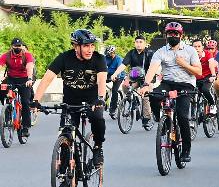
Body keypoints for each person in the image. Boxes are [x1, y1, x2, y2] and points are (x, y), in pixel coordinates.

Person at [31, 29, 107, 167]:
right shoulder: (64, 58)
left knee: (98, 118)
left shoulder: (99, 59)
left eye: (92, 45)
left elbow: (102, 80)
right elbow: (47, 79)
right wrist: (36, 101)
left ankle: (98, 147)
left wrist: (100, 98)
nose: (90, 49)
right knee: (66, 132)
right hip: (70, 101)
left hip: (93, 100)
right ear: (75, 46)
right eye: (86, 46)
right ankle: (65, 169)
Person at [139, 22, 201, 162]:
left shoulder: (190, 50)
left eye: (175, 34)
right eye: (170, 34)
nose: (172, 36)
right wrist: (146, 84)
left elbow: (198, 72)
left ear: (181, 35)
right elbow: (152, 69)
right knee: (154, 95)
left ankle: (186, 150)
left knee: (182, 115)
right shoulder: (161, 51)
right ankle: (163, 122)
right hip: (168, 83)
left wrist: (184, 64)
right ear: (166, 35)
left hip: (186, 85)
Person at [111, 35, 154, 127]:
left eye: (141, 42)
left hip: (147, 77)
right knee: (125, 86)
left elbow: (154, 67)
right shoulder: (131, 53)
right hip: (134, 74)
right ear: (134, 43)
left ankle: (146, 118)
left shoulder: (149, 53)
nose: (138, 44)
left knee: (145, 96)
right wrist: (115, 74)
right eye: (137, 42)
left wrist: (152, 78)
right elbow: (123, 65)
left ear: (145, 44)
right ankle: (132, 101)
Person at [0, 38, 35, 137]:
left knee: (25, 102)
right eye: (15, 46)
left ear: (22, 46)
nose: (17, 48)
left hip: (24, 79)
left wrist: (29, 79)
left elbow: (29, 66)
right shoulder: (6, 55)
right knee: (1, 90)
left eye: (19, 46)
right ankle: (7, 110)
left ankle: (25, 127)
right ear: (12, 47)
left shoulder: (27, 55)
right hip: (11, 78)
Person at [192, 39, 217, 115]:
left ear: (202, 47)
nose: (197, 48)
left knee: (205, 90)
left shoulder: (208, 54)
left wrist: (213, 75)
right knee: (192, 95)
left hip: (207, 76)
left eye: (199, 46)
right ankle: (193, 116)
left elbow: (211, 64)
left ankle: (212, 105)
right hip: (195, 77)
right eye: (195, 46)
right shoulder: (190, 55)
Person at [104, 45, 125, 117]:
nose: (108, 55)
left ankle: (113, 109)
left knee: (114, 90)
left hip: (118, 76)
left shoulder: (119, 59)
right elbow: (102, 66)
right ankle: (104, 97)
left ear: (113, 53)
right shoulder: (106, 58)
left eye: (109, 54)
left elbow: (119, 69)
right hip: (109, 74)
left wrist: (116, 77)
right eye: (107, 54)